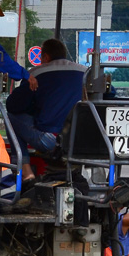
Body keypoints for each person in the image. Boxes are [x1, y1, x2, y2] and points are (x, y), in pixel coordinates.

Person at [7, 38, 86, 179]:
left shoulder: (37, 74)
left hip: (51, 141)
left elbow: (13, 105)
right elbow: (109, 91)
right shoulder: (85, 72)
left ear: (46, 57)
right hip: (80, 141)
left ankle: (25, 171)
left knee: (9, 117)